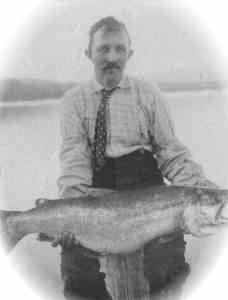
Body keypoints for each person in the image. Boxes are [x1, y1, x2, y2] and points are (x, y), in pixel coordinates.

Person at [40, 16, 217, 300]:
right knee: (77, 266)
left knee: (166, 262)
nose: (112, 57)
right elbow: (74, 159)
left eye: (120, 49)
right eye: (103, 49)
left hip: (145, 187)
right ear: (89, 54)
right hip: (94, 191)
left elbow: (171, 153)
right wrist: (69, 210)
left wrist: (203, 189)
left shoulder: (148, 94)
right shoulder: (73, 101)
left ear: (129, 54)